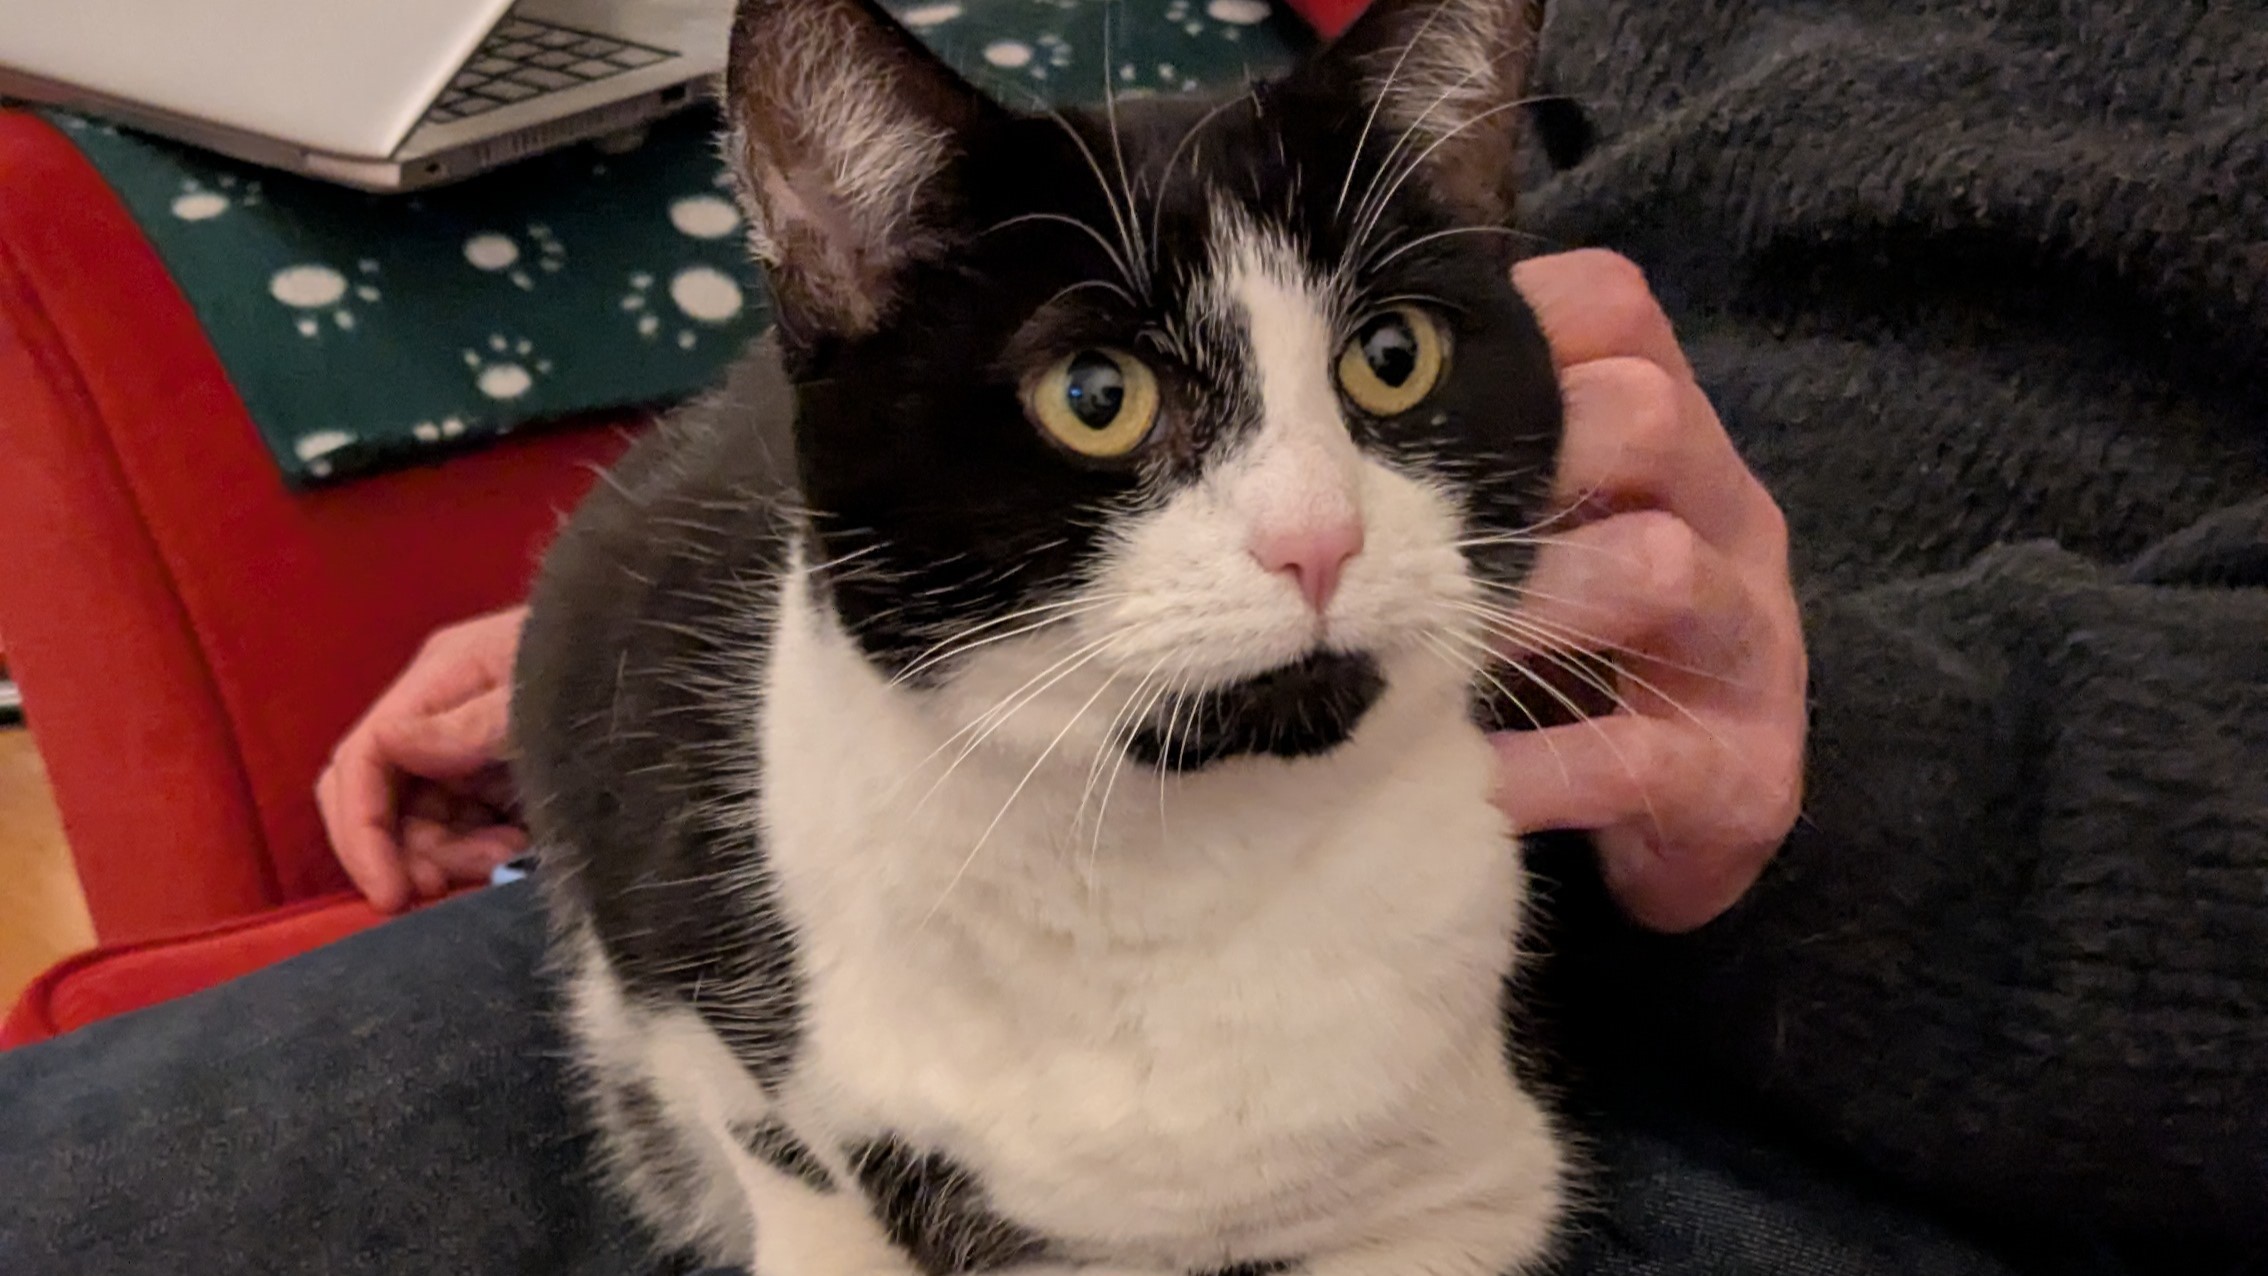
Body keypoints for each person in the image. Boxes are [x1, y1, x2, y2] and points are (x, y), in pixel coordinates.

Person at [3, 0, 2262, 1272]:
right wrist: (839, 575)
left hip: (1831, 1017)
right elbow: (1303, 248)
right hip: (1048, 833)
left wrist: (1857, 749)